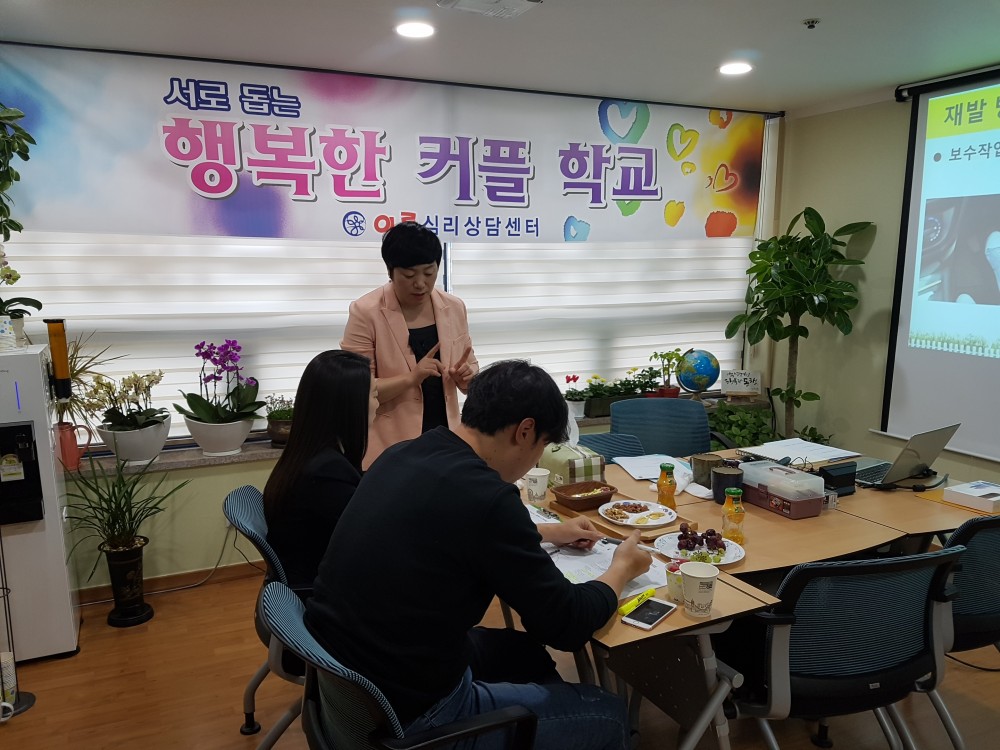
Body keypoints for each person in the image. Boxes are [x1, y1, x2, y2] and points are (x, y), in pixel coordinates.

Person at [306, 360, 652, 750]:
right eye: (541, 447)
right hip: (414, 714)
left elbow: (455, 526)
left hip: (355, 682)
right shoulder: (488, 497)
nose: (534, 461)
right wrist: (622, 567)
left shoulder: (403, 454)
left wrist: (549, 532)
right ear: (524, 431)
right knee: (608, 714)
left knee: (523, 653)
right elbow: (566, 624)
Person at [342, 220, 478, 468]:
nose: (420, 283)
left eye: (429, 272)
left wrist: (467, 378)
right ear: (390, 271)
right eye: (409, 275)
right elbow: (355, 389)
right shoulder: (365, 312)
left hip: (446, 443)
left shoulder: (454, 307)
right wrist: (410, 379)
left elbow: (471, 371)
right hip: (389, 448)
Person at [263, 350, 378, 589]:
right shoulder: (326, 472)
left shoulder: (310, 455)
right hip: (322, 591)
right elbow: (367, 538)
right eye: (374, 395)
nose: (378, 403)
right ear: (351, 405)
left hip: (314, 575)